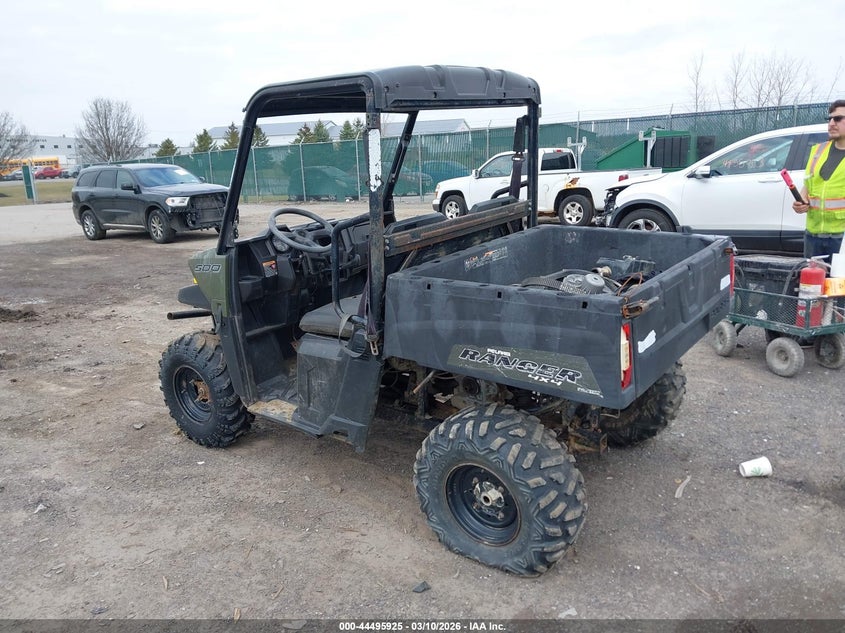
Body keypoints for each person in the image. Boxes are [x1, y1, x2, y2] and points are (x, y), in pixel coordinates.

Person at [792, 99, 845, 260]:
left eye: (838, 119)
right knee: (811, 284)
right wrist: (801, 202)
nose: (831, 123)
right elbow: (808, 185)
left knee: (838, 284)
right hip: (813, 235)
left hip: (841, 237)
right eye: (829, 119)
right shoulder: (818, 150)